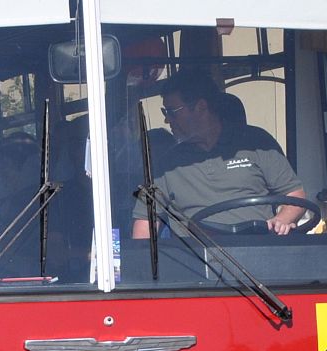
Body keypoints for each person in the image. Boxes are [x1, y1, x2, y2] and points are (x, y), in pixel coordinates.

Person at [131, 72, 307, 238]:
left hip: (261, 256)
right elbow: (145, 225)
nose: (167, 120)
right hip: (197, 264)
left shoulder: (257, 143)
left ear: (201, 107)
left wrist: (281, 221)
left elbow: (294, 196)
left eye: (171, 112)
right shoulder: (167, 164)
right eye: (165, 112)